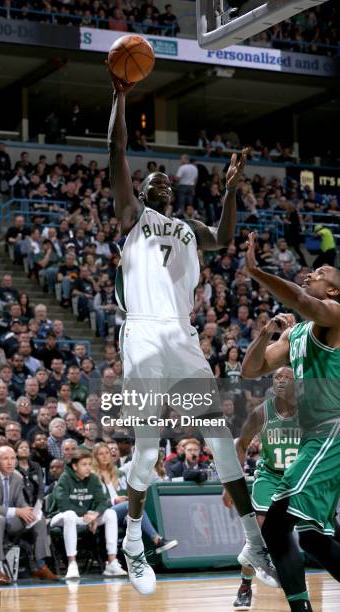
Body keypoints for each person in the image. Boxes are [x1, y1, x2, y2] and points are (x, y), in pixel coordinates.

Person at [107, 70, 276, 595]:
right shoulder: (133, 217)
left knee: (222, 441)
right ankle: (134, 542)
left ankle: (255, 542)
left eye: (164, 181)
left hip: (181, 338)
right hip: (142, 334)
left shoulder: (188, 229)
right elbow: (116, 150)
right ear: (143, 189)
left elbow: (224, 237)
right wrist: (119, 97)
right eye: (151, 179)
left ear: (174, 191)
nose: (158, 182)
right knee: (147, 449)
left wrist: (229, 191)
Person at [242, 232, 340, 612]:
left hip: (333, 429)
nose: (309, 275)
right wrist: (266, 333)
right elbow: (251, 370)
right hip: (315, 438)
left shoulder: (335, 315)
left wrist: (255, 271)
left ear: (332, 291)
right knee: (311, 538)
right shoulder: (295, 333)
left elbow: (301, 300)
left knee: (278, 525)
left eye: (320, 273)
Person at [224, 367, 300, 611]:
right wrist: (231, 485)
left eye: (287, 377)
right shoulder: (261, 412)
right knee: (258, 533)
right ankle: (245, 585)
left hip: (299, 479)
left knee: (317, 533)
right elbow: (241, 444)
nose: (281, 380)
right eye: (277, 376)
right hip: (269, 476)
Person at [0, 445, 58, 585]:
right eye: (5, 458)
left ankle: (41, 565)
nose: (10, 462)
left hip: (10, 520)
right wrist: (17, 511)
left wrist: (29, 511)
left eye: (13, 458)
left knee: (38, 519)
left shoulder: (17, 478)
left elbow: (21, 502)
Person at [47, 449, 127, 579]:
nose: (88, 468)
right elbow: (64, 506)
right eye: (84, 464)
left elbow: (102, 502)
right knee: (70, 515)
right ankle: (72, 563)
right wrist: (88, 515)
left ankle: (112, 562)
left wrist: (94, 515)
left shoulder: (93, 479)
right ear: (74, 466)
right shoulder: (65, 478)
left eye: (90, 464)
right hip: (59, 516)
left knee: (110, 514)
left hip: (86, 517)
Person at [92, 443, 178, 555]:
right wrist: (114, 501)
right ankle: (157, 540)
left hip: (121, 511)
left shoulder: (119, 473)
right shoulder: (92, 476)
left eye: (107, 453)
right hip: (101, 513)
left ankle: (140, 555)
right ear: (95, 457)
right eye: (100, 454)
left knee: (135, 507)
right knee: (132, 506)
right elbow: (93, 502)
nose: (104, 456)